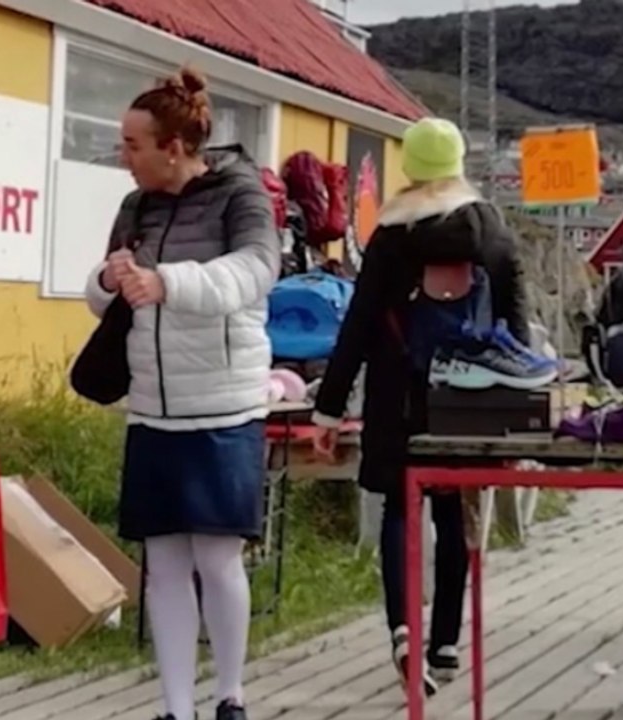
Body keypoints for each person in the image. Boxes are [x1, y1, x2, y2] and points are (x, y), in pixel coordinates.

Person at [85, 67, 280, 720]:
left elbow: (254, 271)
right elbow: (105, 297)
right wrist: (107, 279)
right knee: (162, 563)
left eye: (133, 144)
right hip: (152, 408)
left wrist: (169, 282)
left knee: (217, 557)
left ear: (172, 147)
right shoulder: (134, 207)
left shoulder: (239, 194)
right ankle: (175, 707)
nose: (123, 155)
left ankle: (230, 694)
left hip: (224, 406)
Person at [311, 117, 529, 695]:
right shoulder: (494, 234)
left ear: (409, 168)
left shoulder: (390, 237)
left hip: (397, 396)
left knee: (400, 513)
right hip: (468, 400)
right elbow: (518, 334)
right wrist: (518, 417)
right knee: (456, 513)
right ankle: (448, 642)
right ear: (459, 167)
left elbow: (357, 328)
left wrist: (327, 412)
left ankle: (405, 630)